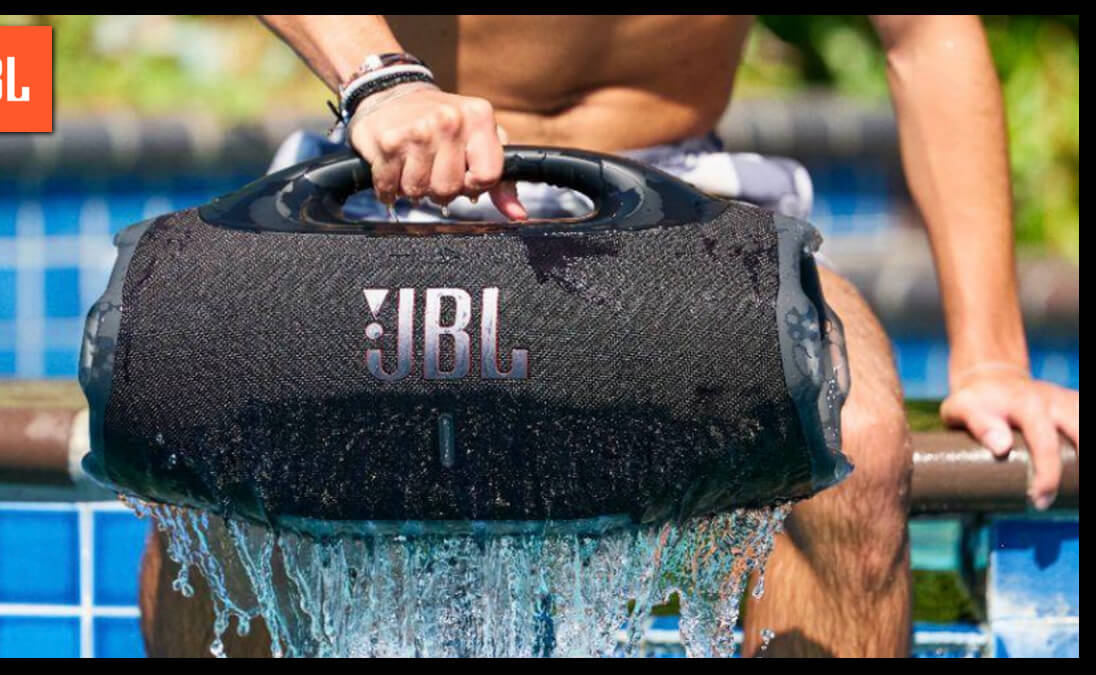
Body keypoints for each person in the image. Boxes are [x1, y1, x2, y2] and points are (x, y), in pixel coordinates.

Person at [139, 15, 1080, 657]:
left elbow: (925, 35)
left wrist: (992, 356)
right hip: (390, 180)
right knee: (218, 428)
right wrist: (378, 77)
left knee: (856, 441)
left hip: (675, 200)